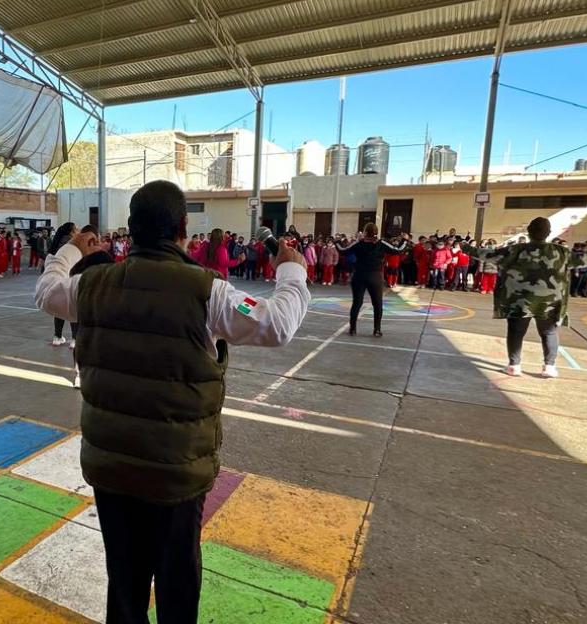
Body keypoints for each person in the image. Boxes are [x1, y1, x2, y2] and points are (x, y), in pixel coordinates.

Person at [34, 180, 310, 624]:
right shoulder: (209, 293)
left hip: (111, 467)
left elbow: (47, 292)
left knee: (125, 580)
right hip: (175, 473)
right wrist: (292, 272)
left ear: (132, 229)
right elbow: (276, 324)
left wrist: (69, 250)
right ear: (182, 228)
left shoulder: (92, 285)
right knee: (177, 581)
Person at [468, 218, 585, 378]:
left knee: (516, 332)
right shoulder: (561, 252)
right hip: (550, 302)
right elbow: (586, 259)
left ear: (528, 232)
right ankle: (549, 366)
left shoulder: (515, 250)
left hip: (519, 301)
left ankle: (514, 365)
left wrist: (464, 247)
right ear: (549, 233)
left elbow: (485, 254)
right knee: (549, 333)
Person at [348, 224, 408, 337]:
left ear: (365, 232)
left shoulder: (359, 244)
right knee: (377, 304)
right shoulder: (381, 244)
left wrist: (337, 242)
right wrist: (404, 240)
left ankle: (352, 328)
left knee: (357, 303)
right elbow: (398, 250)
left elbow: (343, 251)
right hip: (375, 276)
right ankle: (377, 329)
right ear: (376, 232)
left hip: (359, 275)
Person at [48, 222, 80, 346]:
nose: (77, 230)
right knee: (73, 309)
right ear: (71, 232)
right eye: (75, 229)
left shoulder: (57, 244)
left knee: (60, 308)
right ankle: (75, 339)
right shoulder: (72, 245)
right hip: (70, 278)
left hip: (56, 279)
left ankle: (57, 336)